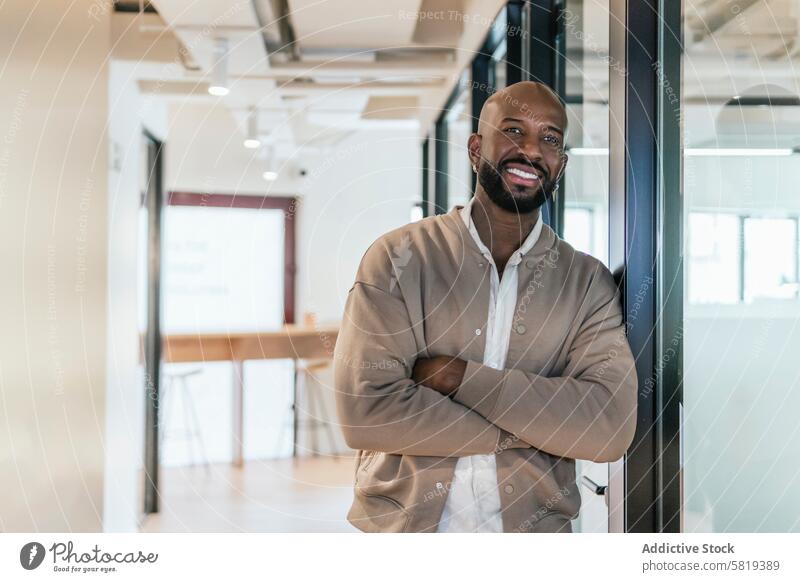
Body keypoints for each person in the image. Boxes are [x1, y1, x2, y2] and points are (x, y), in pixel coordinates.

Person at [334, 81, 637, 533]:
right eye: (513, 131)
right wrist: (542, 429)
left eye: (550, 138)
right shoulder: (400, 258)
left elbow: (609, 427)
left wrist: (458, 378)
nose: (532, 150)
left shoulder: (586, 283)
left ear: (561, 165)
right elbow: (365, 412)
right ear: (476, 149)